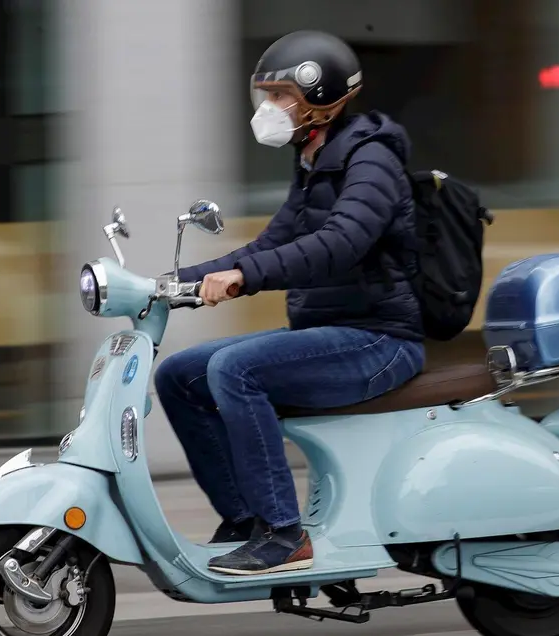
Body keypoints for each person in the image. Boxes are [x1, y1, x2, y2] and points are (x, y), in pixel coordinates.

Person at [154, 30, 425, 576]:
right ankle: (243, 519)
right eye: (267, 96)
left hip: (380, 339)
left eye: (281, 96)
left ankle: (283, 532)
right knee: (179, 375)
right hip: (330, 332)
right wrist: (167, 283)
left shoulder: (371, 160)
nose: (269, 108)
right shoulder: (314, 161)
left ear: (320, 97)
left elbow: (341, 242)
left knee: (234, 370)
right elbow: (270, 245)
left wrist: (242, 278)